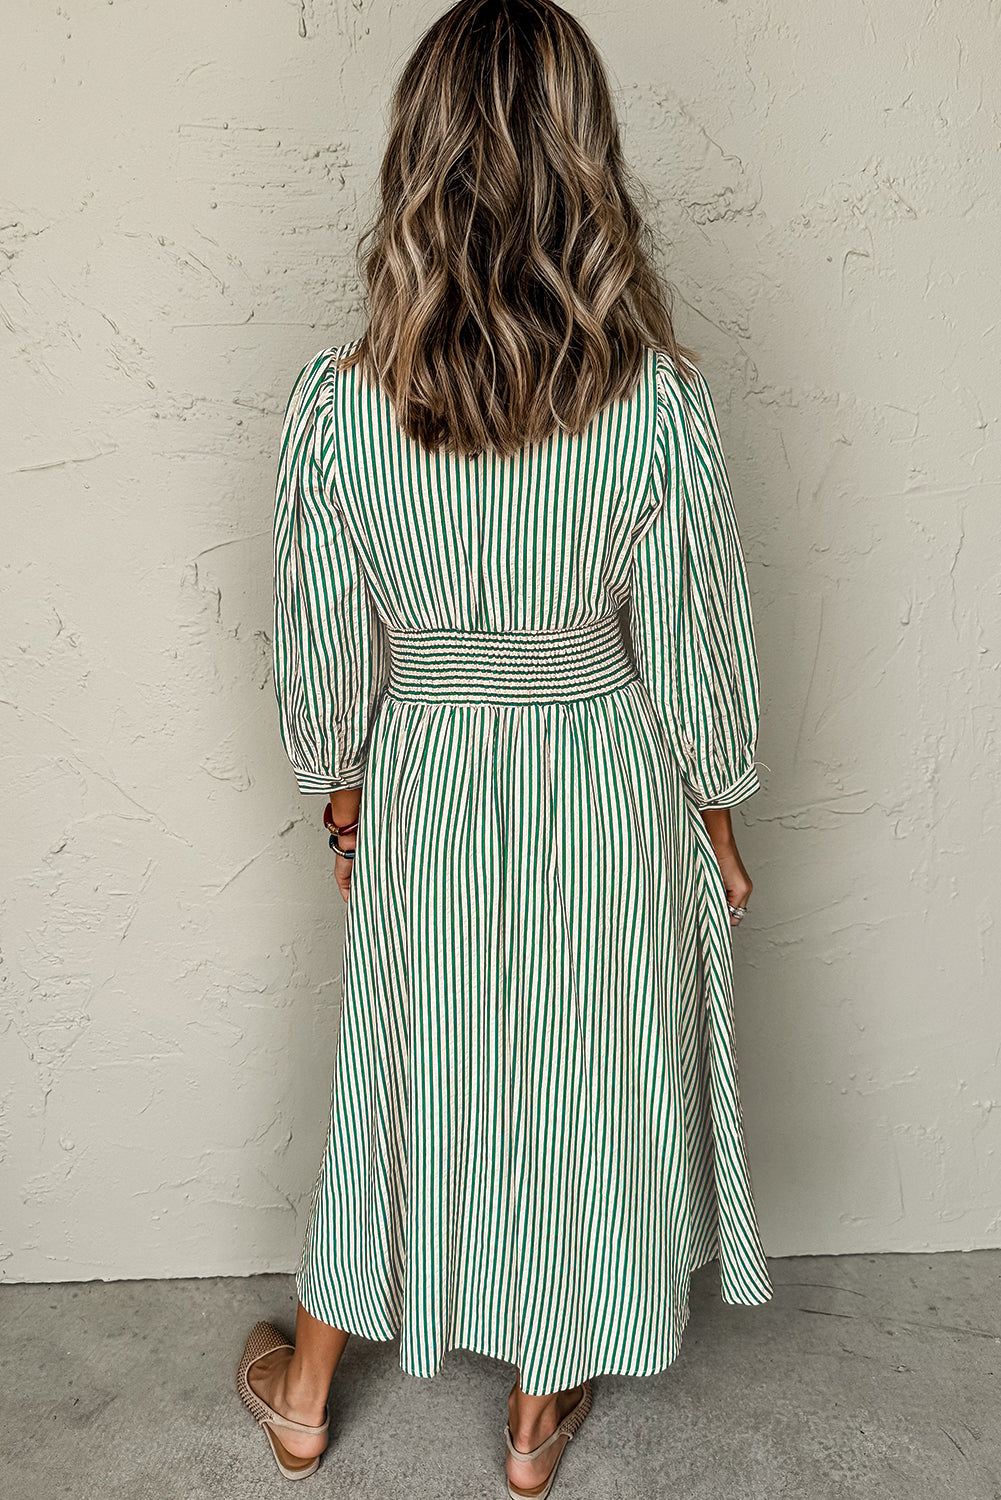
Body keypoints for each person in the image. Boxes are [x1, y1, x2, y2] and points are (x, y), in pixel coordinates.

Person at [237, 0, 772, 1493]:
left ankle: (304, 1397)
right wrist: (717, 806)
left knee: (397, 1069)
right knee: (584, 1069)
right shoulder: (656, 405)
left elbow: (318, 639)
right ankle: (538, 1423)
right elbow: (693, 639)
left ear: (417, 165)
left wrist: (340, 788)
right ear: (585, 168)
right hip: (602, 758)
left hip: (429, 766)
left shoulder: (338, 413)